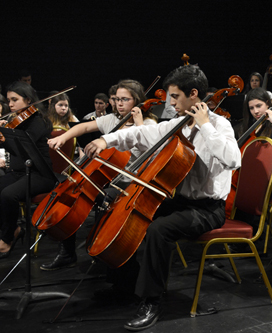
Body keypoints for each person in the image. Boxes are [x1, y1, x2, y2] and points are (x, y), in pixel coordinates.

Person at [81, 65, 241, 331]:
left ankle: (151, 301)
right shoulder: (177, 124)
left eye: (175, 97)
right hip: (181, 202)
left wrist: (204, 126)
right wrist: (106, 141)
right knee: (121, 206)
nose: (170, 103)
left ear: (193, 94)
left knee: (159, 230)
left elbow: (233, 159)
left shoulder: (219, 124)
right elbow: (140, 133)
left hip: (208, 209)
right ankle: (124, 284)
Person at [42, 79, 157, 270]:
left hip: (132, 180)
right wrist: (63, 137)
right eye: (117, 99)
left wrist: (138, 124)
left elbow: (150, 155)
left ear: (137, 101)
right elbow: (84, 127)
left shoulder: (149, 123)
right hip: (108, 176)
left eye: (125, 100)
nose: (119, 104)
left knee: (105, 200)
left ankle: (103, 251)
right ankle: (67, 252)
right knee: (70, 193)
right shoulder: (112, 119)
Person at [0, 81, 55, 258]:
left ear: (28, 100)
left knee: (8, 194)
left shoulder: (38, 122)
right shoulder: (16, 123)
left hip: (40, 174)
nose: (10, 105)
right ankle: (13, 229)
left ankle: (7, 239)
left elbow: (23, 148)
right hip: (19, 173)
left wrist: (5, 135)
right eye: (9, 101)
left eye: (15, 100)